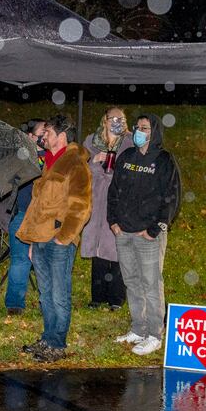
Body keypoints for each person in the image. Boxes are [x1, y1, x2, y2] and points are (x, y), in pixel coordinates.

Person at [16, 115, 92, 363]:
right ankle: (48, 338)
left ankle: (57, 343)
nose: (42, 136)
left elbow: (80, 206)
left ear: (61, 135)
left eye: (47, 132)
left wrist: (65, 238)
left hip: (58, 240)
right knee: (45, 294)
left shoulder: (75, 163)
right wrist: (31, 240)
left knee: (59, 294)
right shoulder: (49, 162)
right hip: (40, 239)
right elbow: (38, 205)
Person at [107, 113, 181, 356]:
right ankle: (138, 328)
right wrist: (113, 221)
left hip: (147, 235)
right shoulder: (127, 156)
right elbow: (114, 190)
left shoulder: (163, 160)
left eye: (145, 128)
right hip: (124, 232)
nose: (140, 131)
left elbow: (171, 198)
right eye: (138, 127)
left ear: (155, 131)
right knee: (132, 282)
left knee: (151, 283)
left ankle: (154, 334)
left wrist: (154, 229)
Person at [80, 108, 133, 310]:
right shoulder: (91, 141)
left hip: (119, 199)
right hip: (96, 198)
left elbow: (131, 170)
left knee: (117, 247)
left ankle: (116, 298)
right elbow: (82, 169)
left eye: (122, 118)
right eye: (114, 118)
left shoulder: (130, 142)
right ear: (105, 120)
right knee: (98, 248)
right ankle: (98, 296)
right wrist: (95, 162)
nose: (117, 122)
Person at [2, 118, 46, 315]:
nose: (44, 139)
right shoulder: (21, 156)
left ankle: (47, 301)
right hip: (22, 212)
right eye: (40, 135)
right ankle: (15, 304)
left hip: (45, 216)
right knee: (20, 259)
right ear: (30, 136)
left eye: (47, 134)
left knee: (45, 260)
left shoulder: (54, 158)